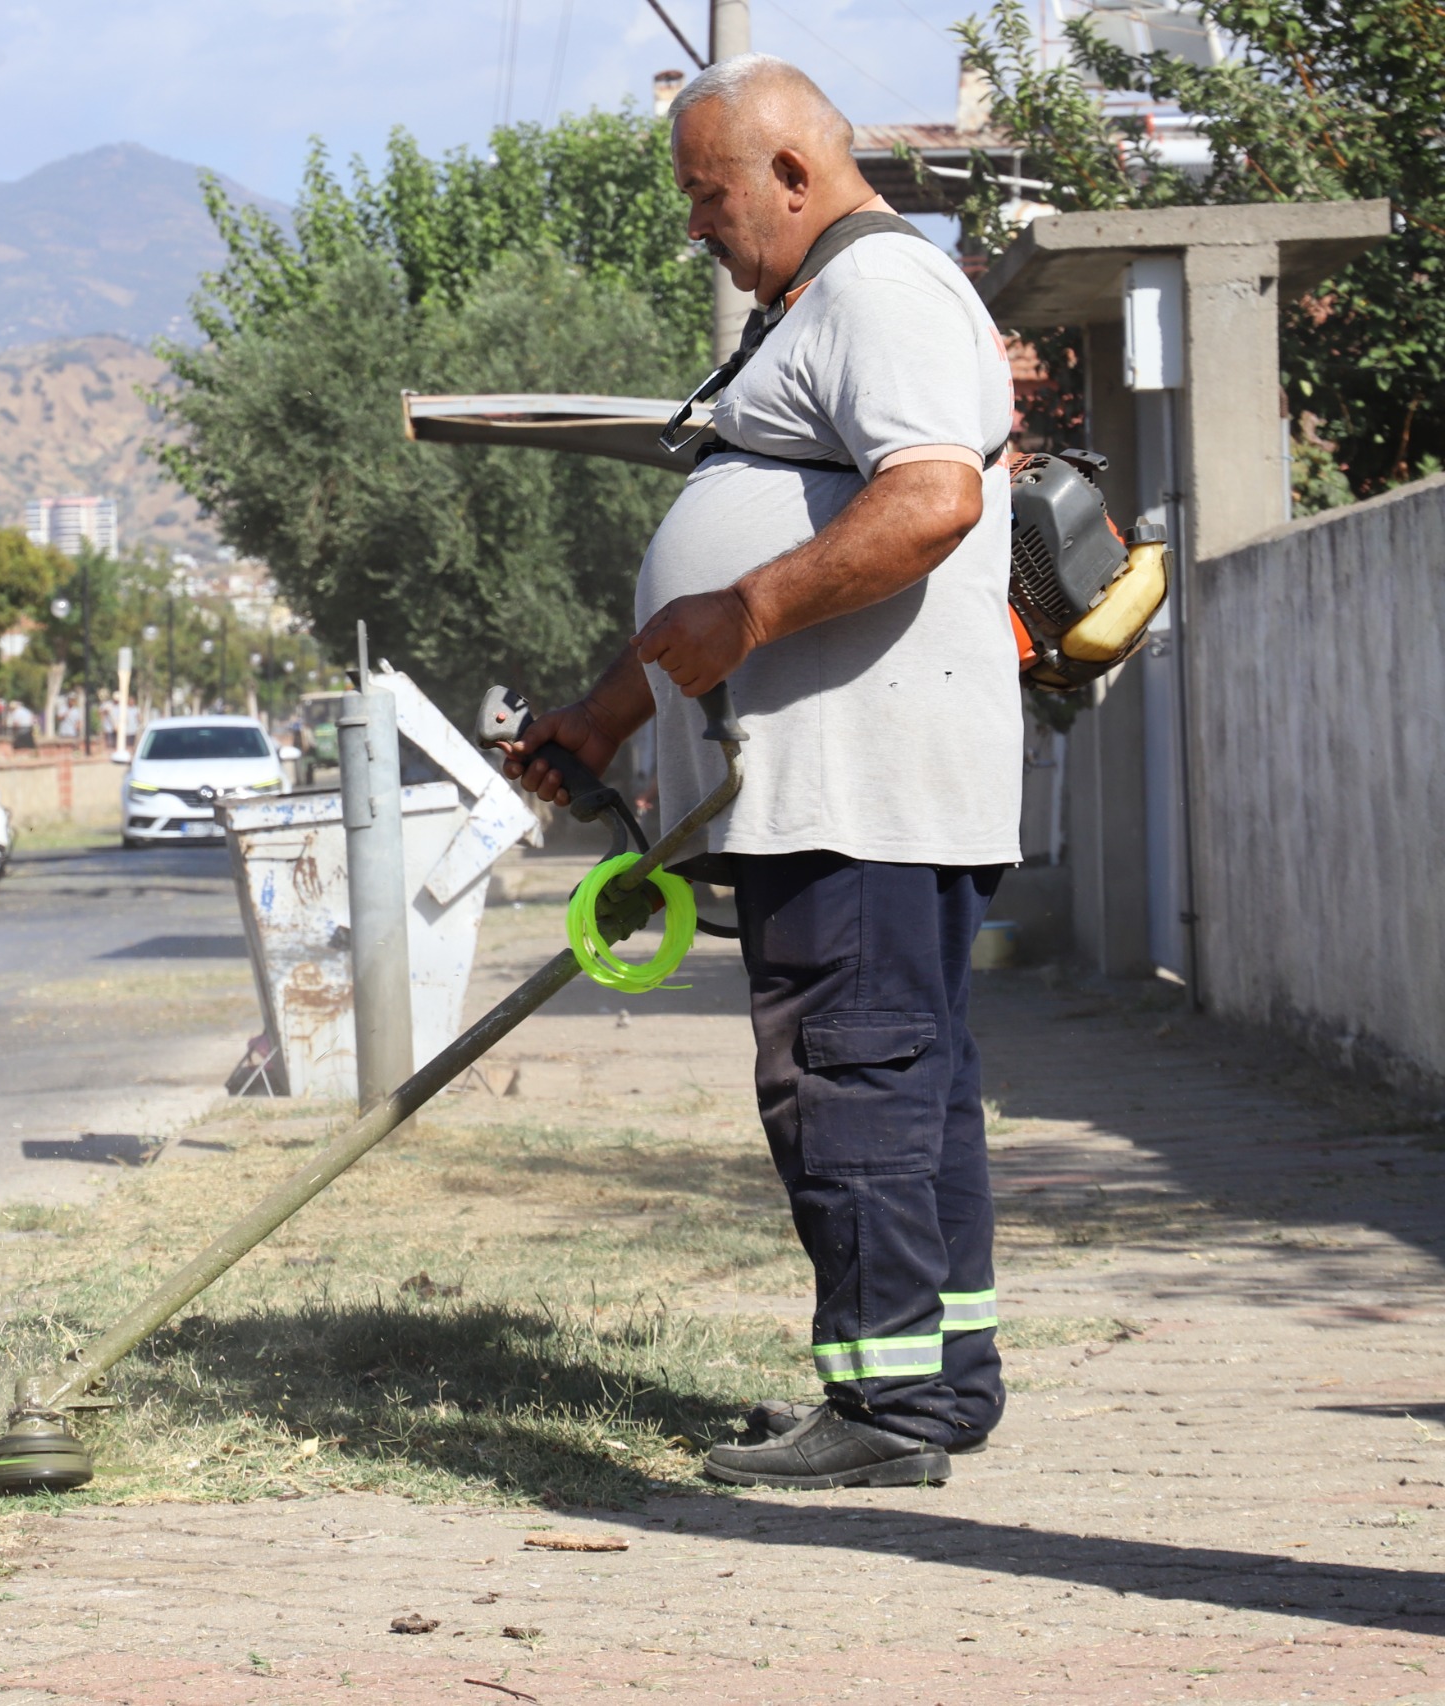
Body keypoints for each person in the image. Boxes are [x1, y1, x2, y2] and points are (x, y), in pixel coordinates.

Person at [501, 55, 1016, 1491]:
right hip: (839, 783)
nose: (696, 226)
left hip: (867, 784)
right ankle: (938, 1377)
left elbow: (932, 498)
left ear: (793, 172)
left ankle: (886, 1409)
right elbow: (723, 583)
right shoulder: (820, 303)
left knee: (850, 1083)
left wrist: (748, 611)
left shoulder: (885, 293)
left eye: (707, 193)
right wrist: (602, 722)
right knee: (904, 1085)